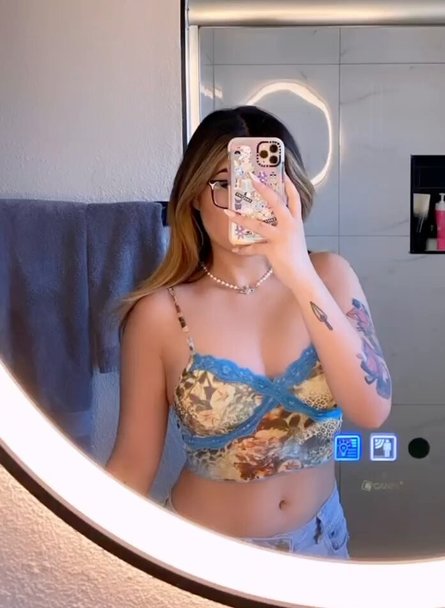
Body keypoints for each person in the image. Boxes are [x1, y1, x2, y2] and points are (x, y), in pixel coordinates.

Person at [105, 106, 392, 558]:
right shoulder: (158, 315)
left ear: (289, 190)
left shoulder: (329, 277)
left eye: (264, 184)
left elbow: (372, 409)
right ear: (194, 196)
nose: (245, 203)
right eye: (225, 183)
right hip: (206, 557)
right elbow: (133, 465)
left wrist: (298, 272)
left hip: (323, 544)